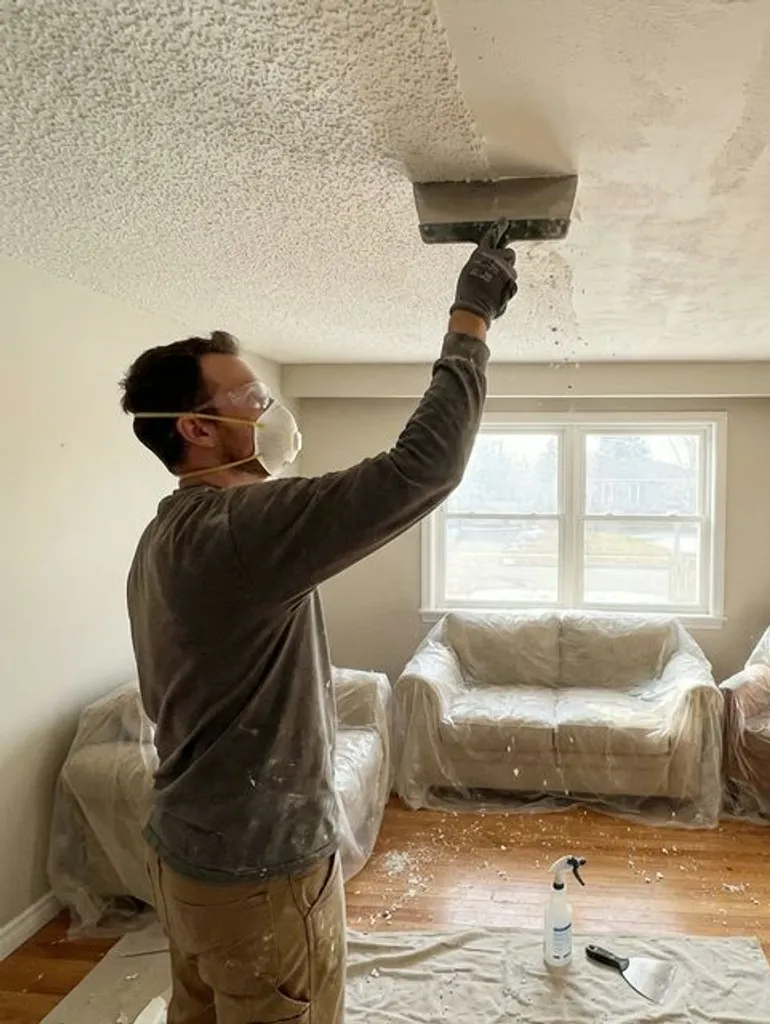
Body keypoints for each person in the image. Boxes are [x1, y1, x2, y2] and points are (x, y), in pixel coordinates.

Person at [119, 222, 518, 1024]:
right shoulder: (240, 530)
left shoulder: (164, 532)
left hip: (188, 858)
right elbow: (423, 468)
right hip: (261, 872)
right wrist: (469, 321)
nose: (270, 409)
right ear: (195, 429)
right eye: (252, 399)